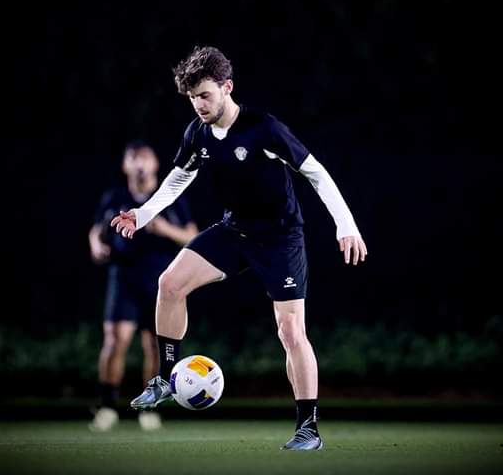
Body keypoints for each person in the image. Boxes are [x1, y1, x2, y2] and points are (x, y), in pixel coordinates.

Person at [111, 46, 367, 451]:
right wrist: (141, 215)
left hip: (280, 239)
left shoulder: (263, 128)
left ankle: (308, 428)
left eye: (205, 95)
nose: (199, 104)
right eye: (192, 97)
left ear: (227, 87)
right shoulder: (197, 133)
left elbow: (315, 172)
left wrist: (346, 225)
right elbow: (178, 178)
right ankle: (165, 378)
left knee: (290, 331)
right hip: (234, 232)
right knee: (170, 284)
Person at [89, 140, 198, 431]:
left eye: (145, 157)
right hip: (123, 276)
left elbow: (192, 235)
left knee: (154, 345)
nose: (139, 163)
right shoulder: (115, 197)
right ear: (125, 165)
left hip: (159, 279)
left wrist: (164, 228)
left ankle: (149, 408)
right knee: (115, 340)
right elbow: (97, 229)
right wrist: (96, 245)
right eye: (134, 158)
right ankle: (107, 406)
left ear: (155, 164)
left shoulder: (168, 196)